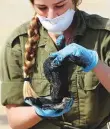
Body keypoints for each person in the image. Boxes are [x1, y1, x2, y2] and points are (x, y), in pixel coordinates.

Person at [0, 0, 110, 129]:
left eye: (59, 5)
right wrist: (40, 111)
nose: (51, 16)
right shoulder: (19, 43)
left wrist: (95, 63)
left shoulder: (103, 35)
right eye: (42, 8)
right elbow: (15, 121)